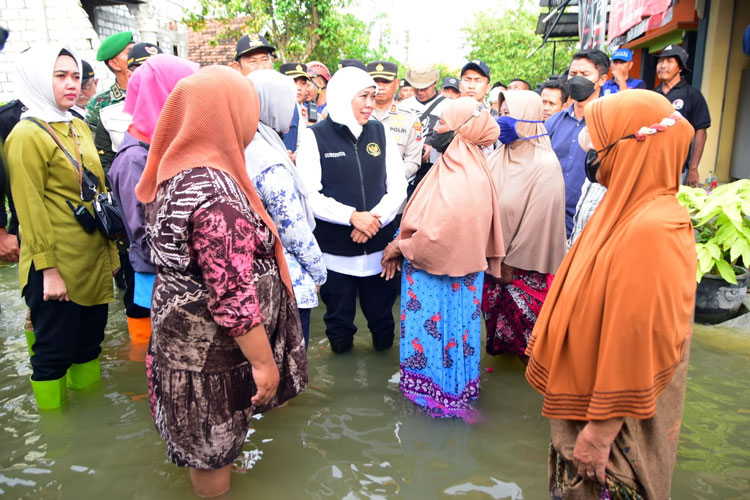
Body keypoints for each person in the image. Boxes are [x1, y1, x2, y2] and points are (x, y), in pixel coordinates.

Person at [136, 66, 307, 497]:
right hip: (208, 354)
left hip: (183, 341)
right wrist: (265, 364)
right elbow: (232, 295)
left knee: (199, 445)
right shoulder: (215, 194)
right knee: (211, 455)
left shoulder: (178, 171)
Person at [525, 89, 696, 499]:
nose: (594, 158)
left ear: (637, 150)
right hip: (591, 407)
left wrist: (599, 435)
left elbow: (640, 340)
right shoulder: (624, 208)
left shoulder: (653, 228)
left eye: (602, 147)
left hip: (616, 435)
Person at [6, 44, 119, 410]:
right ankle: (58, 441)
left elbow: (100, 192)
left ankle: (89, 426)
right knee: (53, 354)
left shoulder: (78, 123)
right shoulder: (26, 135)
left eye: (75, 76)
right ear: (40, 79)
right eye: (60, 76)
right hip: (56, 264)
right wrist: (48, 270)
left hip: (91, 256)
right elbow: (30, 207)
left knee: (89, 345)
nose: (72, 84)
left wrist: (112, 252)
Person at [380, 97, 504, 420]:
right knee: (457, 339)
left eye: (443, 122)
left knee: (439, 344)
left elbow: (436, 239)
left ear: (463, 130)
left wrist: (399, 248)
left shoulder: (459, 177)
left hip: (437, 283)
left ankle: (435, 404)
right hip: (460, 280)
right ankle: (454, 398)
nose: (435, 129)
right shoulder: (467, 166)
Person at [296, 67, 407, 354]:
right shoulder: (315, 136)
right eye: (363, 97)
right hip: (334, 254)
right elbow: (309, 193)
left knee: (382, 320)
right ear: (344, 97)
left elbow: (397, 187)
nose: (370, 104)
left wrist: (374, 220)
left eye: (373, 96)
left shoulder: (380, 132)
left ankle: (382, 378)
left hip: (379, 254)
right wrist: (351, 216)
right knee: (338, 323)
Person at [108, 54, 199, 347]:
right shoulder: (135, 159)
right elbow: (144, 234)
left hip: (175, 273)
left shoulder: (157, 147)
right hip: (159, 279)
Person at [245, 69, 327, 348]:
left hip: (252, 282)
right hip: (282, 283)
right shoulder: (268, 160)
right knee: (286, 370)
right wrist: (319, 271)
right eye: (289, 102)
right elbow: (293, 229)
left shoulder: (248, 145)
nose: (294, 111)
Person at [482, 91, 566, 361]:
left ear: (528, 118)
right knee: (497, 345)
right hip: (489, 266)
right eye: (501, 113)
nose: (501, 120)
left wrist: (507, 266)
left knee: (529, 350)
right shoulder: (497, 156)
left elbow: (538, 222)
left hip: (520, 272)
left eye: (509, 115)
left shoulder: (545, 165)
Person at [546, 49, 609, 238]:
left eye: (585, 74)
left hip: (592, 221)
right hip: (551, 219)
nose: (577, 79)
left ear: (602, 80)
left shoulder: (610, 121)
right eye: (573, 74)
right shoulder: (553, 122)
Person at [654, 44, 711, 187]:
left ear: (680, 68)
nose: (662, 65)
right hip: (651, 166)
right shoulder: (652, 95)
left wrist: (693, 168)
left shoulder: (692, 95)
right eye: (660, 61)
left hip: (677, 170)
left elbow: (701, 133)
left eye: (669, 61)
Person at [368, 61, 423, 186]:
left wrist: (388, 180)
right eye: (375, 82)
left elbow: (413, 160)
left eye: (386, 82)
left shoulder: (411, 119)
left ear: (397, 83)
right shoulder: (356, 114)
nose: (380, 87)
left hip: (395, 190)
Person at [86, 30, 134, 169]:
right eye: (130, 53)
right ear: (114, 64)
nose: (137, 57)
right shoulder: (100, 103)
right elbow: (94, 152)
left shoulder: (159, 92)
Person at [399, 65, 450, 196]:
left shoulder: (448, 106)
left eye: (425, 88)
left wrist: (432, 149)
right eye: (416, 88)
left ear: (435, 83)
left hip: (434, 170)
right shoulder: (404, 106)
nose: (420, 92)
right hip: (406, 169)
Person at [279, 62, 309, 156]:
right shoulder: (275, 111)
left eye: (303, 83)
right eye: (294, 82)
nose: (299, 88)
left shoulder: (310, 113)